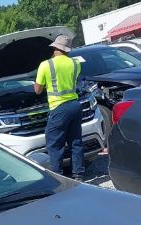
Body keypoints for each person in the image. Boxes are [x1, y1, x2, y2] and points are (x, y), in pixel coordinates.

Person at [34, 35, 84, 181]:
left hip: (59, 107)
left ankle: (58, 177)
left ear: (55, 48)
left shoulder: (45, 65)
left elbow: (37, 90)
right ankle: (79, 175)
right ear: (67, 49)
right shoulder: (76, 63)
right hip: (75, 105)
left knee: (55, 144)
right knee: (76, 142)